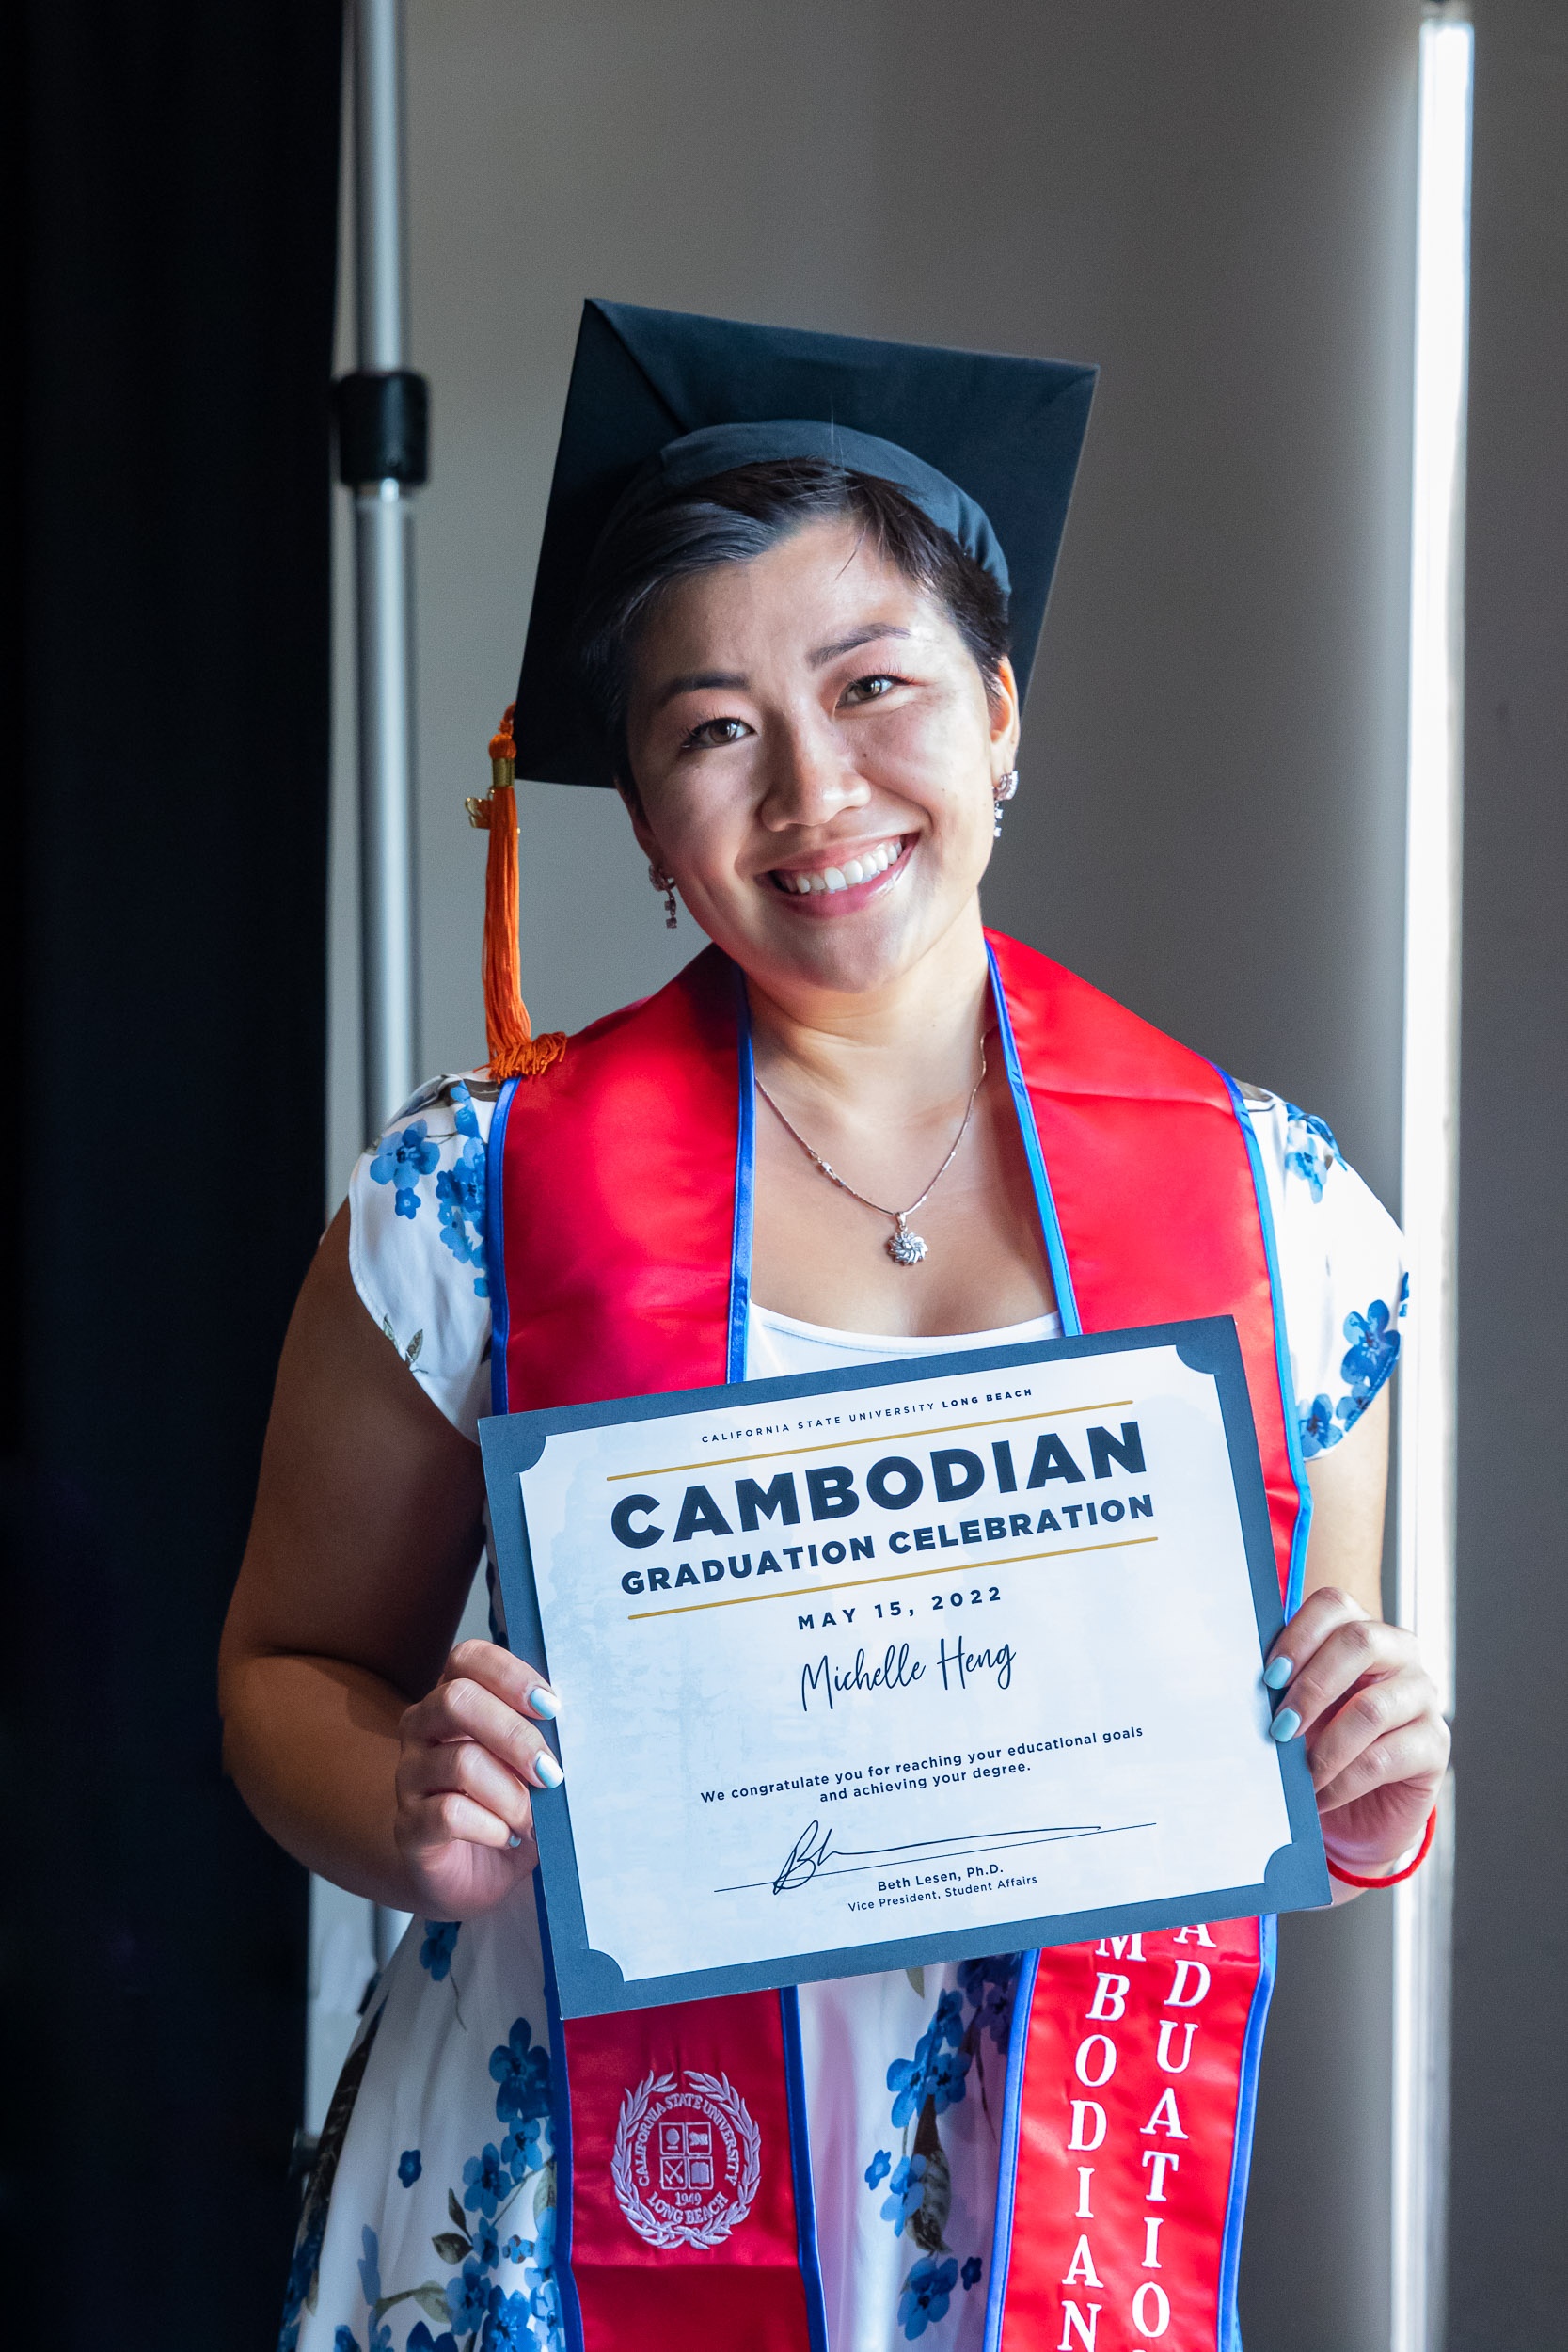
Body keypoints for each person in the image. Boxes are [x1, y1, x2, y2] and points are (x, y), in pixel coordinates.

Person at [221, 304, 1448, 2352]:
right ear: (641, 815)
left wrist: (1369, 1770)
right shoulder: (471, 1194)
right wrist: (404, 1802)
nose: (814, 788)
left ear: (1000, 715)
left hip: (1030, 2213)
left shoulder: (1281, 1214)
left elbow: (1292, 1735)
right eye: (713, 727)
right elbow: (283, 1672)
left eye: (876, 686)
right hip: (562, 2210)